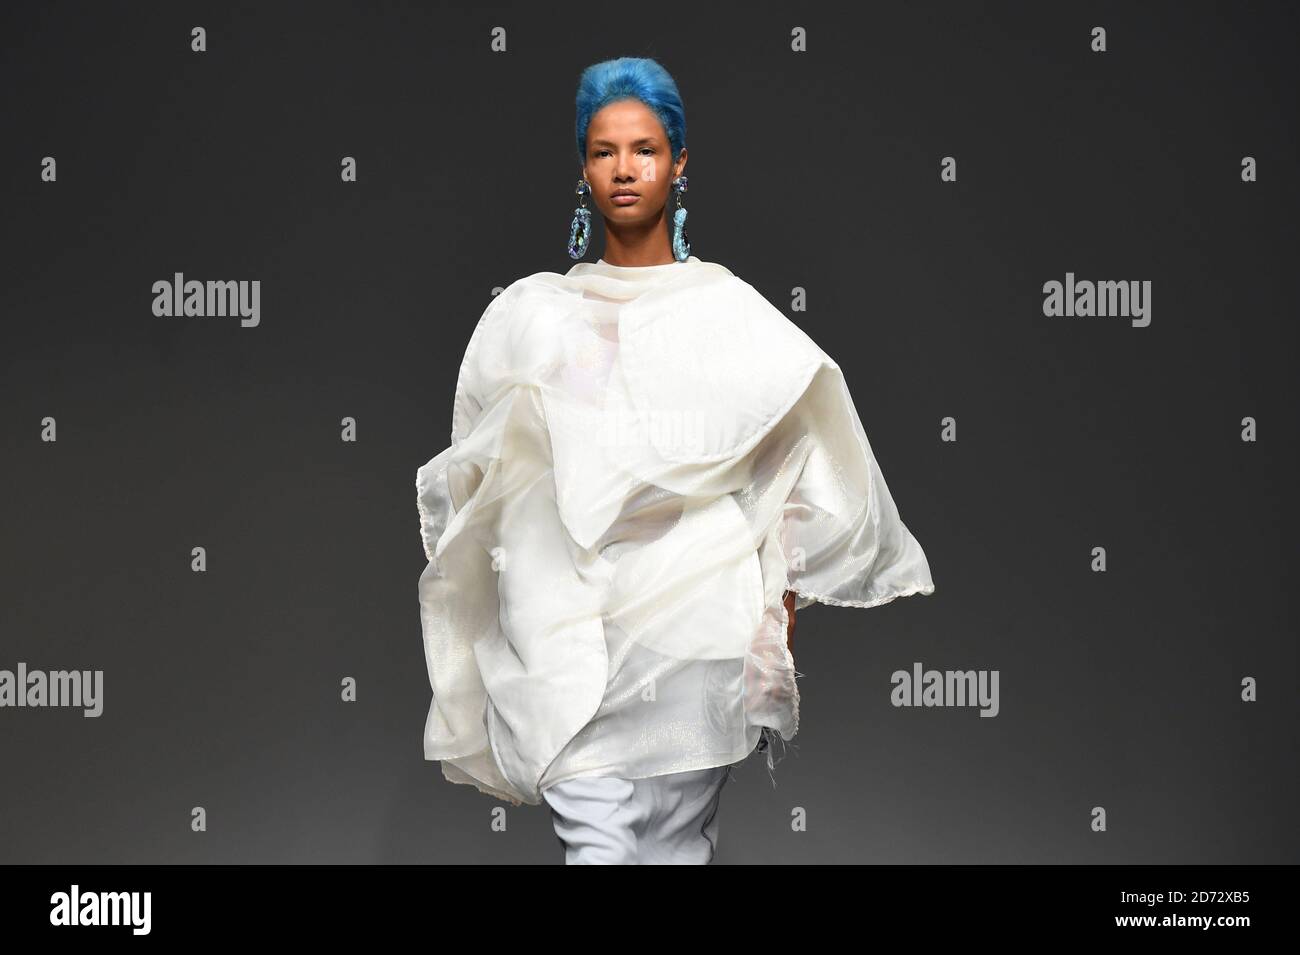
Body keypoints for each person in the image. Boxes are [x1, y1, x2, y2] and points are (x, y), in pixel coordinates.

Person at [416, 56, 935, 864]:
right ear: (582, 166)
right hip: (568, 633)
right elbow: (483, 478)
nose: (624, 169)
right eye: (603, 150)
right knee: (599, 848)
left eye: (645, 149)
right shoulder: (534, 316)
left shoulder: (727, 313)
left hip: (694, 633)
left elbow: (794, 463)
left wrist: (776, 608)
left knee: (672, 853)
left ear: (680, 161)